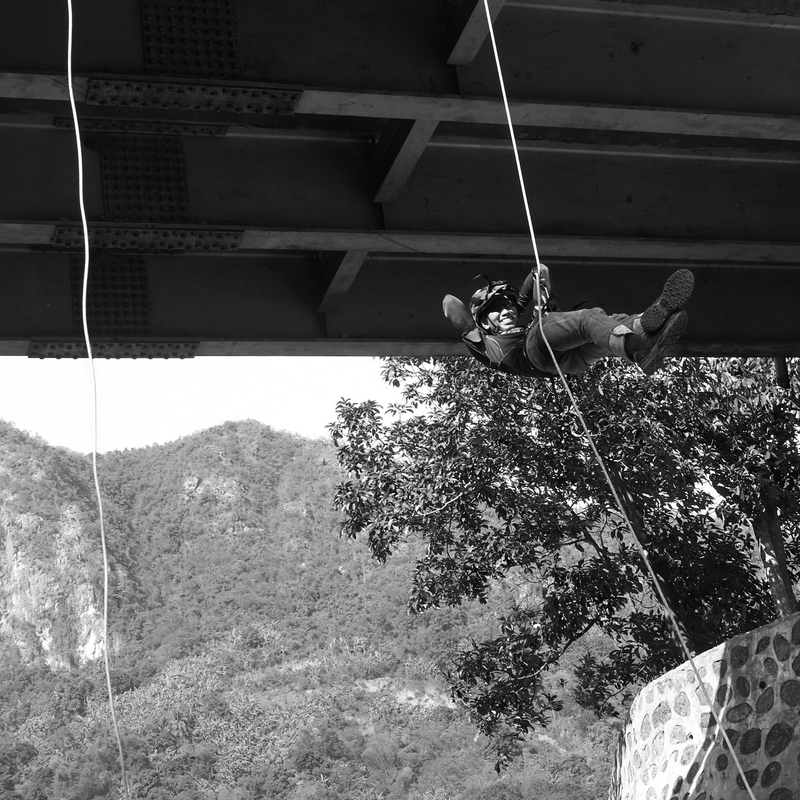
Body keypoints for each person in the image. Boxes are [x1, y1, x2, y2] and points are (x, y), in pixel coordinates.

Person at [442, 266, 694, 378]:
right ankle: (639, 348)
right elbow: (449, 302)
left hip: (569, 361)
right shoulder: (484, 344)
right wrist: (495, 312)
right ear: (484, 322)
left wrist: (518, 304)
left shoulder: (518, 320)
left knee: (606, 324)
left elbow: (539, 270)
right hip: (534, 352)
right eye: (496, 309)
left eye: (507, 305)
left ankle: (644, 326)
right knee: (587, 319)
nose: (505, 309)